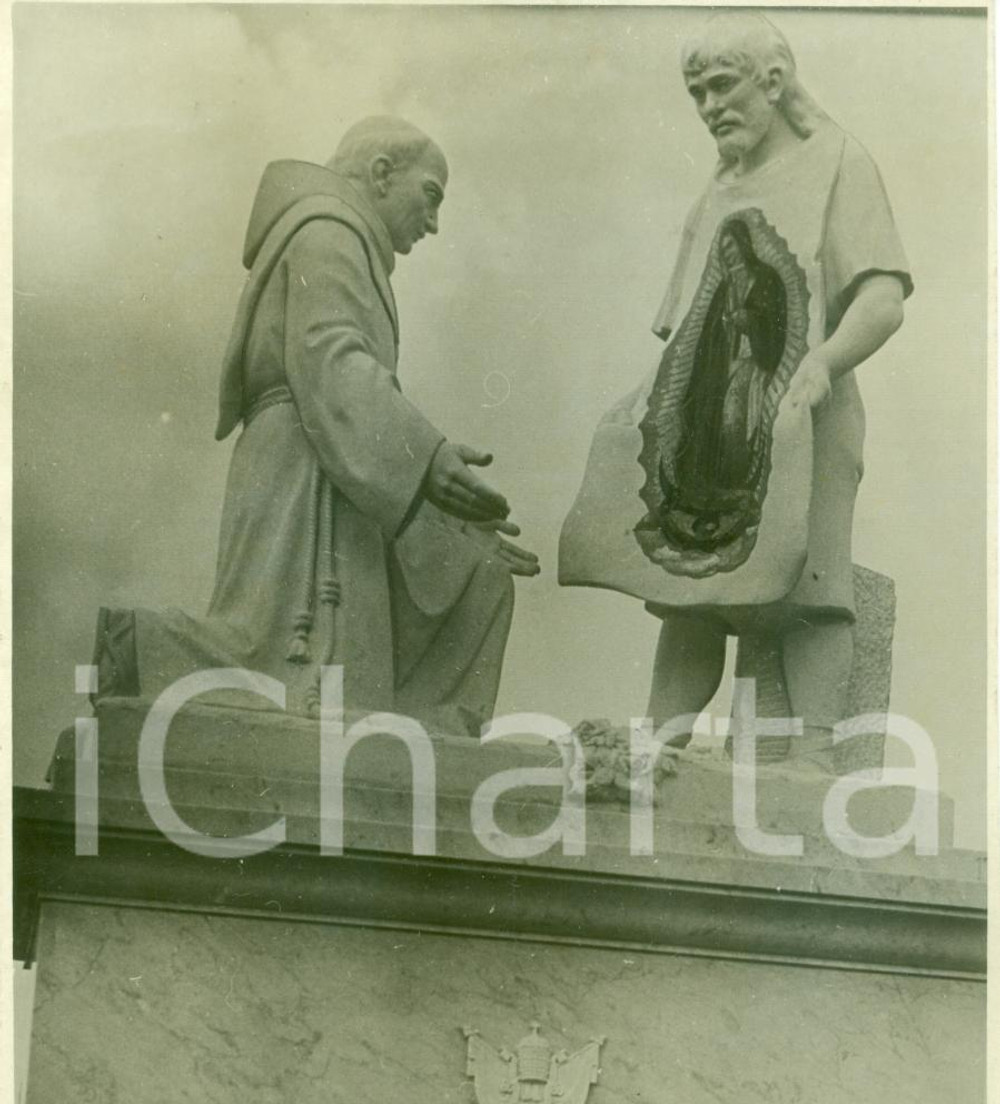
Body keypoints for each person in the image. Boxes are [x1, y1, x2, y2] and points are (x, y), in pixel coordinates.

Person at [94, 116, 539, 734]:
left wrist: (427, 476)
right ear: (382, 173)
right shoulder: (329, 231)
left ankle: (415, 740)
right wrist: (427, 458)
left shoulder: (336, 235)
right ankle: (140, 651)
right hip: (309, 471)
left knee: (299, 660)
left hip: (323, 458)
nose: (433, 223)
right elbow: (332, 359)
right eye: (430, 195)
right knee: (278, 662)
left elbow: (342, 374)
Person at [561, 14, 911, 768]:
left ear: (774, 82)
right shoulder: (717, 190)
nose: (711, 106)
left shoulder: (840, 161)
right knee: (689, 585)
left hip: (804, 418)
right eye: (698, 94)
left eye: (723, 86)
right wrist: (639, 398)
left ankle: (817, 757)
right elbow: (685, 323)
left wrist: (823, 362)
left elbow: (883, 298)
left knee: (811, 584)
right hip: (711, 419)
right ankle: (661, 745)